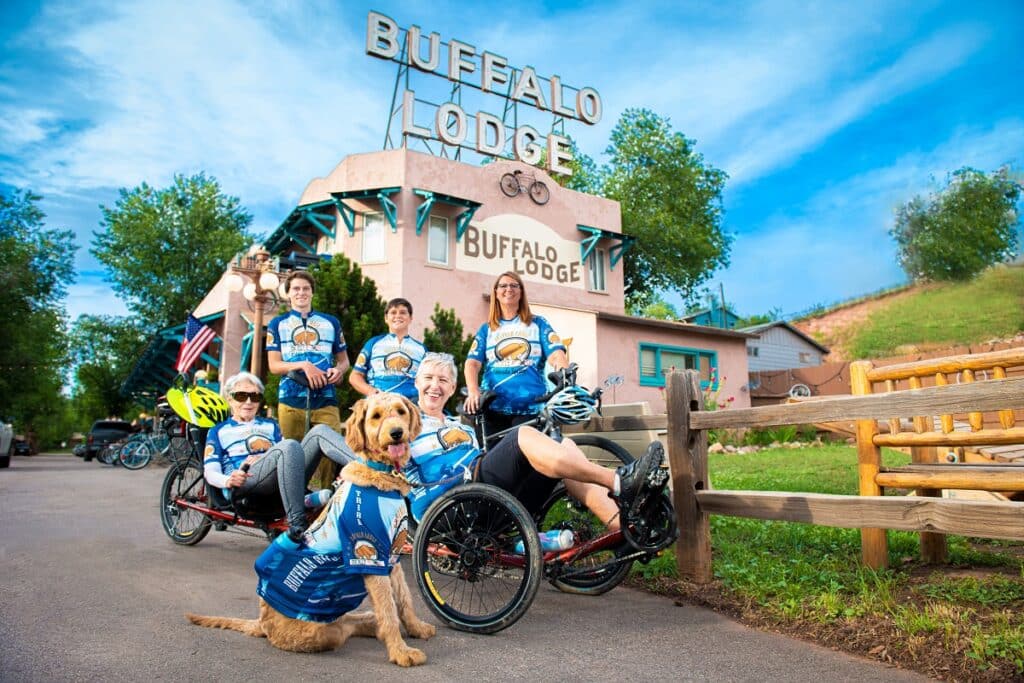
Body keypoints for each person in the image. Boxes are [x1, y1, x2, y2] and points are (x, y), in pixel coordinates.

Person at [404, 353, 664, 526]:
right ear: (416, 382)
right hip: (455, 502)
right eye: (428, 378)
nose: (434, 386)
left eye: (443, 380)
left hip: (488, 498)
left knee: (565, 446)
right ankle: (619, 481)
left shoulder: (460, 426)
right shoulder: (402, 424)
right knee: (522, 435)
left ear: (451, 388)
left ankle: (621, 527)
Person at [203, 372, 356, 543]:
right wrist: (227, 481)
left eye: (254, 396)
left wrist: (266, 455)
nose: (248, 402)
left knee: (319, 431)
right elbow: (210, 471)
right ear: (229, 399)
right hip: (248, 480)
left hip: (282, 473)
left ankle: (366, 467)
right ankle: (297, 523)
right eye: (241, 396)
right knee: (289, 445)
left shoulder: (270, 425)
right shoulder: (218, 431)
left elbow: (287, 454)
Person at [464, 271, 569, 444]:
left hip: (530, 407)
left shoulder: (538, 323)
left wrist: (564, 374)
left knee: (527, 463)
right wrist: (473, 391)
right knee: (494, 464)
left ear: (521, 292)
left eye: (514, 285)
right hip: (493, 409)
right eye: (503, 286)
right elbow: (472, 364)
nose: (508, 289)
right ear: (496, 293)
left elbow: (556, 355)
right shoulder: (487, 329)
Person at [267, 270, 349, 489]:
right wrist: (303, 365)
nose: (301, 292)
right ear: (288, 294)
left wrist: (338, 371)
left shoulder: (331, 322)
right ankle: (292, 508)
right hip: (291, 399)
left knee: (331, 456)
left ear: (312, 292)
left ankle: (325, 505)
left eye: (305, 288)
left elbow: (344, 361)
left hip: (326, 399)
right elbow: (274, 365)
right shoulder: (277, 324)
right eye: (296, 289)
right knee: (291, 457)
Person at [349, 297, 426, 402]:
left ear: (411, 318)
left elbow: (427, 380)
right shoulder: (373, 343)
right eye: (393, 312)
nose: (398, 316)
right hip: (378, 403)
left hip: (411, 404)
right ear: (386, 318)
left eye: (403, 312)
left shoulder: (421, 349)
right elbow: (355, 376)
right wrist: (372, 392)